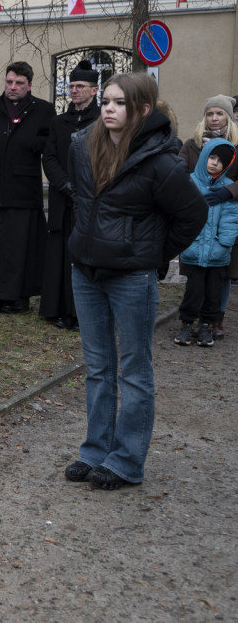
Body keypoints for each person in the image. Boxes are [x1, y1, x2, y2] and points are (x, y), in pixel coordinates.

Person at [64, 72, 206, 491]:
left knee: (134, 371)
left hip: (131, 278)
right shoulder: (82, 145)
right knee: (98, 367)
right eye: (105, 100)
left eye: (119, 102)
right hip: (85, 272)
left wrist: (153, 253)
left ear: (142, 110)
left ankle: (126, 461)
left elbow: (192, 214)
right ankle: (95, 452)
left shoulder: (160, 160)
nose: (108, 108)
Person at [0, 61, 56, 313]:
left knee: (21, 246)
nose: (13, 87)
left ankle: (20, 297)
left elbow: (52, 142)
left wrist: (30, 141)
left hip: (24, 189)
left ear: (29, 85)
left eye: (19, 83)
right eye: (9, 82)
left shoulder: (43, 110)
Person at [39, 60, 100, 330]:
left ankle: (83, 313)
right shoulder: (59, 122)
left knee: (86, 256)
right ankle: (61, 309)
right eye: (71, 85)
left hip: (91, 200)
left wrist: (85, 187)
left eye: (80, 86)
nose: (74, 90)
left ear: (94, 90)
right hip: (63, 198)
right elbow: (49, 157)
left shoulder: (101, 122)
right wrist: (64, 185)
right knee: (61, 255)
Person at [173, 140, 238, 347]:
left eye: (220, 161)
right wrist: (187, 242)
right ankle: (186, 325)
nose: (214, 163)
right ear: (205, 157)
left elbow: (231, 219)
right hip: (194, 250)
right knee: (193, 291)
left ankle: (206, 326)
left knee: (213, 294)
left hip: (217, 254)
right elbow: (183, 216)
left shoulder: (228, 188)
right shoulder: (190, 183)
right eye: (212, 157)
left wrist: (223, 245)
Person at [178, 95, 238, 170]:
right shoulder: (191, 145)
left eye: (219, 113)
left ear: (228, 118)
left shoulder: (235, 145)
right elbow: (179, 173)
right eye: (209, 114)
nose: (214, 118)